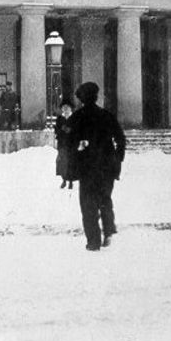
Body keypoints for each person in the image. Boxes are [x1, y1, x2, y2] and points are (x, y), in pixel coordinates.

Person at [69, 81, 126, 251]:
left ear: (82, 99)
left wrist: (75, 152)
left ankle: (93, 241)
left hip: (87, 168)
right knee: (105, 199)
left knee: (88, 205)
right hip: (106, 166)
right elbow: (121, 138)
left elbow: (65, 139)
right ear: (95, 97)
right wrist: (118, 158)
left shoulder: (77, 117)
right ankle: (108, 229)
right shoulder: (107, 115)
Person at [54, 98, 77, 189]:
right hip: (62, 143)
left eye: (67, 107)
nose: (66, 109)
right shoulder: (60, 118)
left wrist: (71, 131)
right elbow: (56, 130)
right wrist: (62, 129)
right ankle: (64, 180)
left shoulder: (74, 118)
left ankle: (71, 181)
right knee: (62, 162)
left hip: (71, 144)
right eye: (64, 107)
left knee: (71, 162)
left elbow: (77, 130)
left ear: (71, 109)